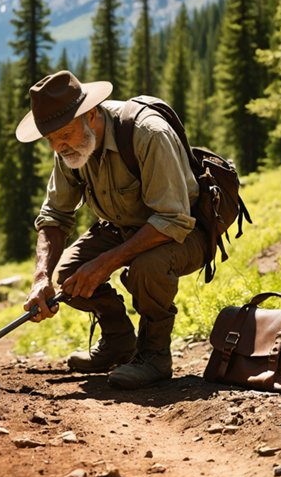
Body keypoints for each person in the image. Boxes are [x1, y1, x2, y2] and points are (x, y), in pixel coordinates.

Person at [16, 70, 207, 390]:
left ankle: (154, 356)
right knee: (68, 274)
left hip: (184, 232)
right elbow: (54, 215)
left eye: (63, 134)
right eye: (50, 139)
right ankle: (119, 341)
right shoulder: (69, 147)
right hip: (122, 228)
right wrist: (40, 277)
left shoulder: (148, 134)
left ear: (91, 115)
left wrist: (105, 263)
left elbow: (173, 219)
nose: (59, 146)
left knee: (149, 266)